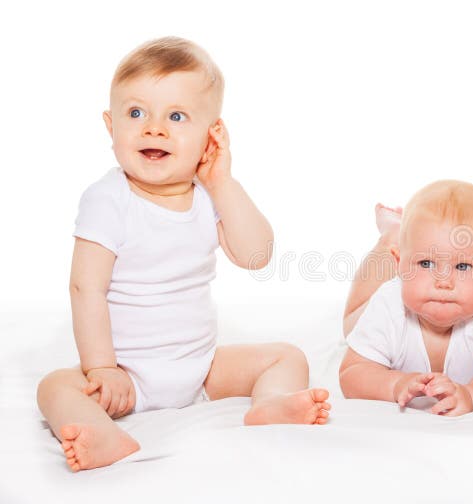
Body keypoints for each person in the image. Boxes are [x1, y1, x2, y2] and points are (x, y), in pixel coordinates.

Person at [36, 37, 330, 472]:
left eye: (176, 116)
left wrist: (223, 182)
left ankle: (272, 404)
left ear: (212, 134)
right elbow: (85, 288)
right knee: (55, 387)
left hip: (201, 369)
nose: (154, 128)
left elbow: (257, 255)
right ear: (109, 125)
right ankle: (101, 433)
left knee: (288, 356)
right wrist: (102, 368)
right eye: (136, 113)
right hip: (128, 374)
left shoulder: (209, 197)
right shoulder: (108, 199)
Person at [339, 180, 473, 415]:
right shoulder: (388, 306)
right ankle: (392, 234)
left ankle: (457, 261)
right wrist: (393, 384)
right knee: (352, 324)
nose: (443, 281)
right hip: (390, 281)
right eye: (425, 263)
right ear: (400, 264)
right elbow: (353, 372)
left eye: (462, 266)